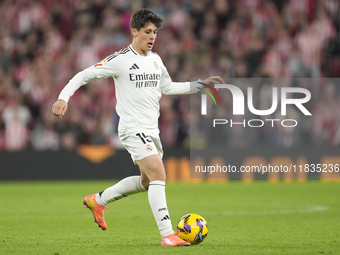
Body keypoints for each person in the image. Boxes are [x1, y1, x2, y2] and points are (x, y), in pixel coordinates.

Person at [52, 9, 224, 246]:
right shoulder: (120, 60)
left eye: (155, 32)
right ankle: (167, 235)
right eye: (147, 32)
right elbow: (83, 75)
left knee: (147, 182)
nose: (152, 37)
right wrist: (63, 98)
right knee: (159, 173)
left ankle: (99, 200)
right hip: (132, 128)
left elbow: (169, 87)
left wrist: (200, 85)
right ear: (134, 32)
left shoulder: (156, 59)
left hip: (152, 130)